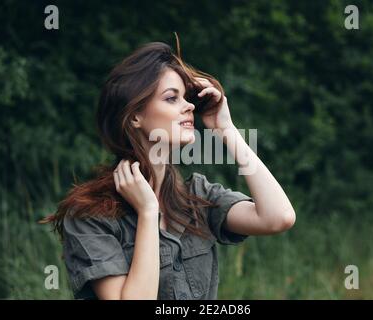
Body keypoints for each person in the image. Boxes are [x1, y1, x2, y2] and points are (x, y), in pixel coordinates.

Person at [40, 36, 296, 300]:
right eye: (172, 98)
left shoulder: (198, 196)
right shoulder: (90, 216)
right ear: (135, 116)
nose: (189, 106)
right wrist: (148, 212)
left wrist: (225, 129)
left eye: (186, 97)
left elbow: (279, 217)